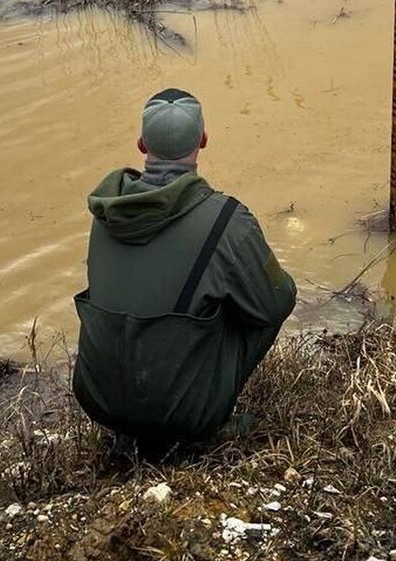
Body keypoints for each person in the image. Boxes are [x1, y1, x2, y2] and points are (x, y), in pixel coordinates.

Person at [72, 87, 296, 445]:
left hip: (97, 400)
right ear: (204, 139)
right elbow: (278, 301)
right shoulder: (227, 220)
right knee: (266, 297)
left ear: (142, 145)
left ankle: (132, 423)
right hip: (184, 415)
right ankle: (208, 418)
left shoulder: (105, 213)